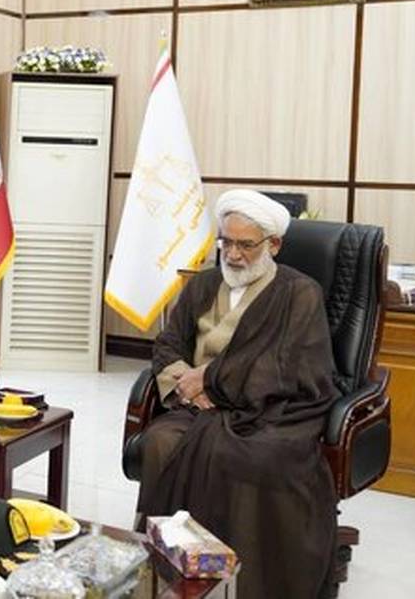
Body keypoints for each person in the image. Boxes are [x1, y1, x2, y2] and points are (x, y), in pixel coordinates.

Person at [135, 190, 339, 598]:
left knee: (254, 457)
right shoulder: (203, 284)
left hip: (270, 409)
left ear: (273, 245)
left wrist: (213, 380)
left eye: (246, 245)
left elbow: (291, 366)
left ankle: (248, 580)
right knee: (160, 442)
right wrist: (188, 385)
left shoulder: (300, 293)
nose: (233, 254)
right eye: (226, 242)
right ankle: (168, 570)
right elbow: (168, 345)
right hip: (197, 406)